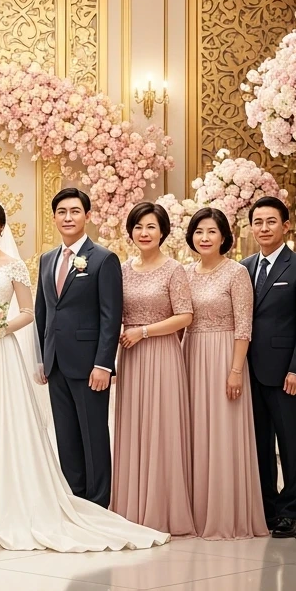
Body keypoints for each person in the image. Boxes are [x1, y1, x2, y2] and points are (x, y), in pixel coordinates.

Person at [0, 197, 168, 551]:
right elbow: (41, 310)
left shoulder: (23, 265)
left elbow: (30, 312)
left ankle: (92, 504)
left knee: (22, 429)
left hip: (4, 353)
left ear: (2, 228)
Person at [35, 188, 122, 508]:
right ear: (54, 216)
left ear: (87, 215)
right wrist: (44, 359)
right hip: (56, 362)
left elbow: (111, 317)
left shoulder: (104, 259)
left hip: (90, 365)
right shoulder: (47, 259)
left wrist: (104, 364)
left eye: (74, 211)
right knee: (66, 438)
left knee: (94, 435)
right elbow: (43, 312)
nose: (68, 217)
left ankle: (99, 504)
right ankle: (76, 500)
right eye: (62, 212)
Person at [184, 207, 268, 540]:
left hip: (224, 357)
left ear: (224, 237)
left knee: (222, 432)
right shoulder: (186, 272)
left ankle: (225, 513)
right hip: (190, 355)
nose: (204, 238)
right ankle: (193, 511)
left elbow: (244, 326)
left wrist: (236, 371)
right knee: (194, 432)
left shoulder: (236, 273)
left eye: (211, 232)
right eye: (199, 231)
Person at [111, 202, 195, 535]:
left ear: (162, 231)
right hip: (131, 357)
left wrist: (144, 331)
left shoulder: (174, 269)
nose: (144, 233)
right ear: (130, 231)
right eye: (138, 227)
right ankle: (130, 506)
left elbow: (185, 316)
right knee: (134, 427)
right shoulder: (123, 268)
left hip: (161, 354)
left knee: (161, 428)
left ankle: (162, 509)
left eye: (151, 227)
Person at [242, 196, 296, 540]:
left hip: (287, 372)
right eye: (258, 222)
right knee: (258, 444)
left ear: (285, 226)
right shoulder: (243, 267)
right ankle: (267, 507)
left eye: (270, 221)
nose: (264, 228)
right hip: (249, 371)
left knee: (290, 446)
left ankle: (291, 512)